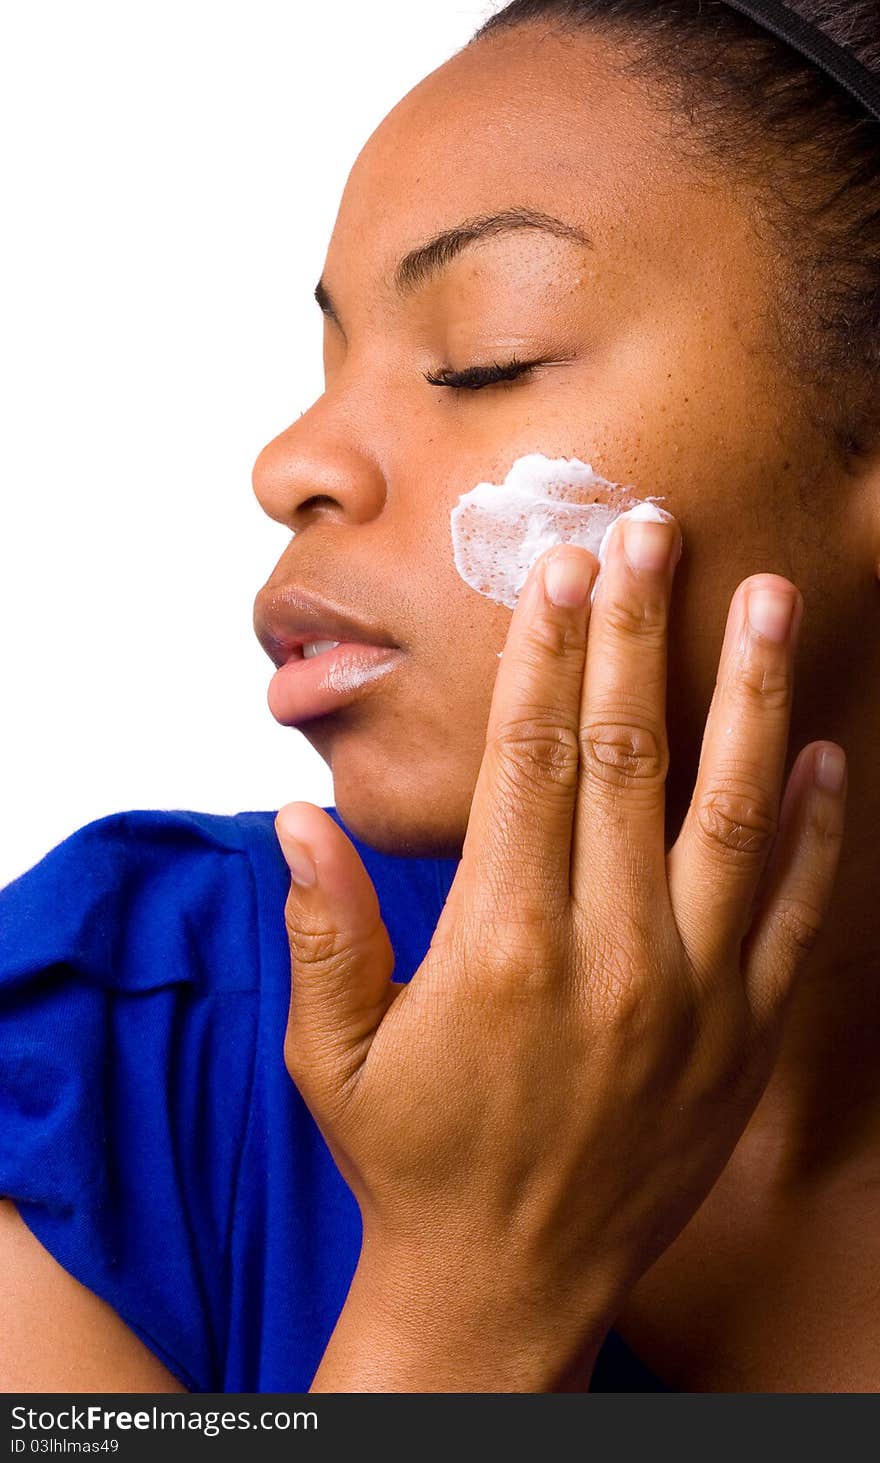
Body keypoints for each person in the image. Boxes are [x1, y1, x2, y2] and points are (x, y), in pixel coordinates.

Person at [1, 0, 878, 1393]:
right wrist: (468, 1296)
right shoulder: (120, 1051)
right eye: (330, 359)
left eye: (485, 357)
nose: (290, 463)